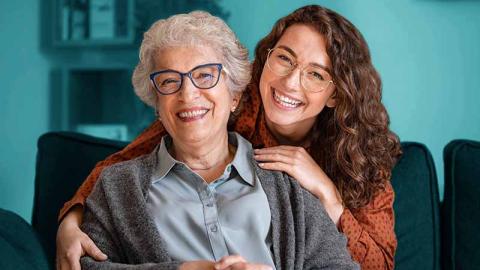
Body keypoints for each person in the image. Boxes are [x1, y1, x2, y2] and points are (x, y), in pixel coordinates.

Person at [57, 5, 401, 270]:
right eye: (284, 59)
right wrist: (70, 221)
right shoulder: (226, 106)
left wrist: (326, 193)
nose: (291, 83)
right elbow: (118, 167)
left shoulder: (351, 162)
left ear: (335, 95)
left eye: (315, 74)